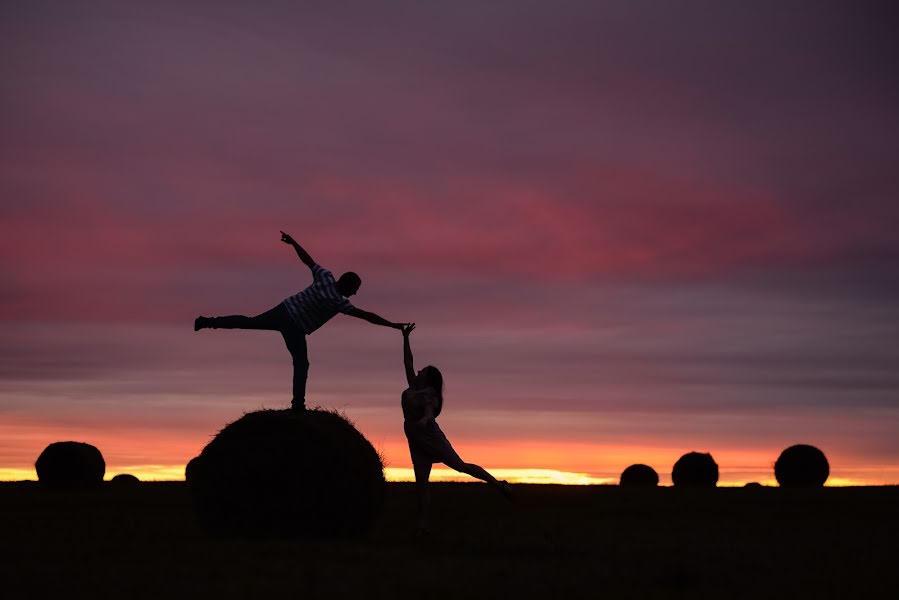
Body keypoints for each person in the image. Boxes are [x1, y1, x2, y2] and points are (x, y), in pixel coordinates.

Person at [195, 231, 408, 410]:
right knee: (301, 363)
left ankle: (207, 321)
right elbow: (367, 316)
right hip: (295, 327)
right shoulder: (339, 303)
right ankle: (298, 405)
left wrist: (293, 243)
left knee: (249, 322)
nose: (355, 294)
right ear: (347, 285)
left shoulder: (325, 276)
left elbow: (308, 260)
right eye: (354, 290)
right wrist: (393, 325)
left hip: (283, 311)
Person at [400, 323, 513, 535]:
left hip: (430, 436)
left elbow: (429, 411)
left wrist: (425, 420)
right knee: (421, 485)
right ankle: (422, 527)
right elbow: (407, 361)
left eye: (423, 370)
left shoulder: (428, 392)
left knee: (460, 466)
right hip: (416, 440)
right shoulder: (413, 386)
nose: (418, 370)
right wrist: (405, 338)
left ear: (429, 377)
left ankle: (499, 485)